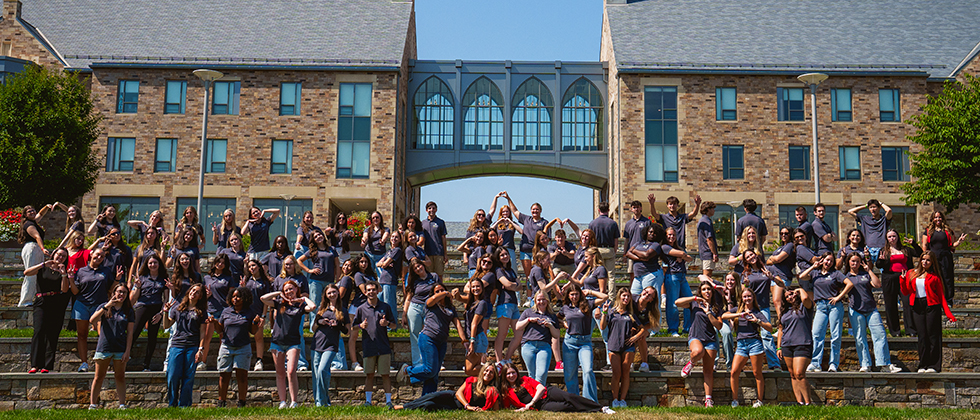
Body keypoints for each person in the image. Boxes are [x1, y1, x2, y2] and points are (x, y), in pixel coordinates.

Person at [397, 283, 466, 394]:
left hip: (442, 342)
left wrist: (465, 340)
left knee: (434, 374)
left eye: (442, 290)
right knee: (429, 369)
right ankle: (407, 370)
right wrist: (445, 293)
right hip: (428, 339)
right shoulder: (430, 304)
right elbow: (432, 299)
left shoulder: (450, 308)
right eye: (437, 291)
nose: (440, 293)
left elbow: (458, 324)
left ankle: (427, 400)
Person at [839, 252, 901, 373]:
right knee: (860, 338)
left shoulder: (865, 274)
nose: (855, 263)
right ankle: (865, 364)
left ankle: (884, 364)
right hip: (856, 310)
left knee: (880, 335)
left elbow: (877, 284)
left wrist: (869, 270)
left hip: (871, 309)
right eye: (853, 261)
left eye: (857, 261)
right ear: (848, 263)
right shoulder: (845, 277)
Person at [262, 280, 315, 408]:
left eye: (291, 289)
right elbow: (263, 298)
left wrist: (302, 298)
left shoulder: (301, 306)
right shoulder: (279, 303)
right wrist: (279, 293)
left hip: (293, 342)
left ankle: (294, 401)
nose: (289, 292)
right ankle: (282, 401)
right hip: (277, 342)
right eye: (286, 290)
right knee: (280, 372)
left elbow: (313, 307)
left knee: (291, 371)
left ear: (296, 289)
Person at [901, 251, 957, 373]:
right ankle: (923, 364)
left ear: (932, 262)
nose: (925, 262)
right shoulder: (912, 273)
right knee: (922, 336)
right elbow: (906, 291)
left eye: (928, 260)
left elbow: (941, 297)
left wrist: (949, 314)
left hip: (932, 306)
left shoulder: (935, 277)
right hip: (917, 306)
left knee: (933, 335)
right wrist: (902, 280)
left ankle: (934, 365)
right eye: (923, 259)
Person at [70, 248, 124, 373]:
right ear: (91, 255)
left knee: (103, 334)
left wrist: (117, 279)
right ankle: (84, 363)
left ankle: (103, 361)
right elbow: (75, 291)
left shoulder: (106, 271)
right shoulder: (81, 271)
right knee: (82, 335)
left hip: (100, 306)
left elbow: (110, 290)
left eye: (102, 256)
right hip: (82, 305)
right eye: (97, 255)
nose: (99, 257)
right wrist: (71, 279)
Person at [676, 281, 724, 407]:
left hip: (710, 340)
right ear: (700, 291)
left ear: (712, 292)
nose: (706, 291)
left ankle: (708, 400)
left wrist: (708, 312)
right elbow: (677, 302)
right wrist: (694, 298)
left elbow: (719, 325)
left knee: (708, 371)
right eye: (704, 289)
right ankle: (690, 364)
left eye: (709, 289)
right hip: (696, 336)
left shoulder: (716, 307)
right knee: (698, 351)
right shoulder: (694, 304)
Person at [722, 287, 773, 408]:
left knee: (757, 373)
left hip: (754, 343)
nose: (747, 298)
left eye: (749, 296)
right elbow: (724, 316)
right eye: (745, 297)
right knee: (734, 371)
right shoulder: (737, 310)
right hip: (741, 344)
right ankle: (735, 400)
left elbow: (770, 328)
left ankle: (759, 401)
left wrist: (757, 321)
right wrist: (739, 314)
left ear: (753, 298)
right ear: (742, 298)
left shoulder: (757, 312)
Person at [88, 283, 135, 410]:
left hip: (120, 348)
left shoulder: (129, 311)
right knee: (99, 376)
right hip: (104, 346)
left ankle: (122, 404)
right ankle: (93, 404)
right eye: (119, 291)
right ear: (114, 292)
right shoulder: (104, 306)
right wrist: (106, 306)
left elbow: (130, 333)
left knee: (120, 376)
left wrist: (127, 351)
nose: (121, 294)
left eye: (124, 292)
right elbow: (92, 320)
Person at [24, 247, 70, 373]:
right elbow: (26, 273)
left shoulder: (63, 271)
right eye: (59, 255)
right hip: (41, 301)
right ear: (54, 254)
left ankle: (47, 365)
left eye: (63, 256)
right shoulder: (43, 267)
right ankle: (35, 364)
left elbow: (65, 290)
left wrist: (64, 274)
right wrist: (43, 264)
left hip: (56, 302)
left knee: (52, 333)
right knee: (38, 331)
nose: (60, 258)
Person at [499, 362, 612, 413]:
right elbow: (506, 407)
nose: (511, 375)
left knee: (569, 396)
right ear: (504, 376)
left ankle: (602, 408)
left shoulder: (525, 379)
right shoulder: (506, 391)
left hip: (548, 393)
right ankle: (591, 409)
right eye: (508, 374)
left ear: (517, 373)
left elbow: (541, 388)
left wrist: (530, 403)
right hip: (541, 405)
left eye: (513, 372)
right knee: (564, 407)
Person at [213, 287, 261, 407]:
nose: (235, 299)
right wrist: (214, 322)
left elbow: (253, 331)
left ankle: (242, 402)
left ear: (244, 298)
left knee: (242, 376)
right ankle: (221, 401)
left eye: (238, 296)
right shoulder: (226, 312)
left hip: (243, 347)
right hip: (226, 346)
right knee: (224, 375)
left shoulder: (249, 312)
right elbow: (220, 330)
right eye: (233, 296)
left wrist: (255, 323)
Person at [558, 284, 606, 402]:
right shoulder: (565, 308)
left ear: (580, 294)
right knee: (570, 374)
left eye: (576, 294)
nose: (574, 296)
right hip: (569, 342)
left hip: (585, 342)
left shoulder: (588, 304)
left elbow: (605, 297)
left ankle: (589, 401)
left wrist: (590, 291)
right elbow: (557, 318)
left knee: (588, 370)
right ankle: (574, 401)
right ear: (568, 296)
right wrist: (563, 324)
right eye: (572, 294)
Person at [163, 283, 209, 407]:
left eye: (197, 292)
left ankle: (184, 405)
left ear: (200, 296)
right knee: (172, 375)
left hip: (192, 346)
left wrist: (200, 349)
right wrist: (165, 312)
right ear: (188, 292)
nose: (194, 293)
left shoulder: (201, 312)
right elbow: (166, 325)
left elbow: (202, 333)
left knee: (188, 377)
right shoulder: (178, 308)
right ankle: (172, 404)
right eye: (193, 290)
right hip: (177, 344)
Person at [351, 281, 395, 407]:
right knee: (369, 374)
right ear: (365, 292)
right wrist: (361, 326)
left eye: (373, 290)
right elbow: (353, 327)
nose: (371, 292)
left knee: (385, 374)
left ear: (377, 291)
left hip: (383, 346)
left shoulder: (385, 307)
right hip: (368, 346)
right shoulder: (361, 309)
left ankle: (388, 401)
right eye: (368, 290)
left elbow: (394, 324)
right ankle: (368, 401)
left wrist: (387, 324)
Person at [799, 252, 845, 372]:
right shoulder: (815, 273)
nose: (828, 262)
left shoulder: (836, 273)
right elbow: (802, 276)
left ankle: (833, 364)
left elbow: (849, 284)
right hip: (820, 306)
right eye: (826, 260)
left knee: (835, 336)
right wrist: (813, 266)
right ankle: (815, 363)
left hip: (834, 306)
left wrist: (838, 297)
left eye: (831, 260)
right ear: (822, 260)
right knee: (816, 334)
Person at [600, 288, 646, 408]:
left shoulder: (630, 314)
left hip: (628, 347)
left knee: (626, 372)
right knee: (616, 373)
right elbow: (603, 326)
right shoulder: (611, 312)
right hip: (613, 345)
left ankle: (623, 400)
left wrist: (635, 337)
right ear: (619, 297)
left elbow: (642, 329)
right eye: (624, 296)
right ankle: (615, 399)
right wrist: (604, 313)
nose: (626, 298)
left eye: (628, 296)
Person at [392, 362, 500, 412]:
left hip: (457, 407)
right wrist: (468, 406)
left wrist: (482, 411)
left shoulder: (492, 390)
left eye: (491, 372)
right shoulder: (472, 380)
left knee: (429, 405)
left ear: (494, 375)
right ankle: (403, 407)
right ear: (482, 371)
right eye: (486, 370)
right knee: (432, 396)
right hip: (453, 397)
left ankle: (411, 408)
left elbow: (496, 410)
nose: (488, 373)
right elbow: (458, 393)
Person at [506, 290, 561, 386]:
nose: (541, 302)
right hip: (528, 345)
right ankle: (534, 396)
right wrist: (529, 320)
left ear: (547, 301)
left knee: (542, 373)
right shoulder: (528, 312)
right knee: (532, 374)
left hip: (544, 346)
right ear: (535, 300)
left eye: (543, 299)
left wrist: (550, 326)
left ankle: (538, 397)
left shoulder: (551, 315)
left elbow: (556, 335)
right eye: (539, 299)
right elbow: (517, 326)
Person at [740, 249, 784, 370]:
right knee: (746, 335)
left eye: (751, 255)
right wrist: (747, 285)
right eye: (747, 257)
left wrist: (772, 278)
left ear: (756, 255)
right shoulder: (746, 274)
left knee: (766, 334)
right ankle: (741, 364)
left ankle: (774, 364)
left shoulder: (769, 269)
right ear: (746, 261)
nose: (750, 257)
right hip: (750, 307)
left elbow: (782, 285)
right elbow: (743, 292)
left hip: (763, 307)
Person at [877, 229, 923, 337]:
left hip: (905, 278)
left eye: (894, 236)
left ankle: (911, 329)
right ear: (887, 239)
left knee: (908, 303)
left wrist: (914, 244)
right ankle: (895, 331)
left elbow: (919, 254)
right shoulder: (884, 250)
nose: (892, 238)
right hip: (889, 278)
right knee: (891, 305)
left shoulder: (905, 249)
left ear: (897, 237)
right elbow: (879, 265)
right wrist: (881, 260)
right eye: (889, 237)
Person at [129, 254, 169, 371]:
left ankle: (146, 364)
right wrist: (136, 286)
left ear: (159, 264)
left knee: (152, 337)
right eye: (150, 263)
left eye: (155, 263)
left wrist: (161, 313)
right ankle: (123, 357)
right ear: (147, 264)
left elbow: (166, 299)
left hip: (157, 309)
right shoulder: (142, 278)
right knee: (134, 333)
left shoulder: (163, 278)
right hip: (142, 307)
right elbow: (134, 298)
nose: (153, 265)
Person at [777, 287, 814, 405]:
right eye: (787, 296)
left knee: (799, 373)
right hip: (787, 345)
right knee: (792, 374)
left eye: (792, 294)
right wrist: (779, 347)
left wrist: (800, 289)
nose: (790, 297)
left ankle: (808, 403)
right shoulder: (785, 311)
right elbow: (781, 329)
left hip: (803, 343)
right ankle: (800, 402)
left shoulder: (805, 306)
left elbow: (806, 298)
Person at [312, 284, 348, 407]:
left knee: (322, 370)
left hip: (331, 345)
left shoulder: (343, 310)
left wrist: (338, 325)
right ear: (326, 296)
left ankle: (322, 401)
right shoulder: (321, 309)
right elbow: (313, 328)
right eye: (329, 293)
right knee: (318, 375)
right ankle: (321, 402)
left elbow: (347, 331)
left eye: (334, 292)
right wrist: (319, 321)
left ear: (338, 293)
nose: (332, 295)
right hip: (317, 343)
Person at [403, 257, 442, 367]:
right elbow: (409, 298)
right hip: (415, 307)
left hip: (430, 308)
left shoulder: (434, 276)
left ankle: (434, 361)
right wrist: (404, 313)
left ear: (423, 265)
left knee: (432, 334)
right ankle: (418, 363)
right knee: (415, 335)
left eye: (419, 265)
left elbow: (440, 291)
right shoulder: (414, 281)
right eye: (415, 268)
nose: (418, 268)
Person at [922, 210, 968, 302]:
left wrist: (959, 241)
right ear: (932, 219)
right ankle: (935, 298)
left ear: (942, 218)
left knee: (947, 277)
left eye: (939, 217)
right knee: (934, 277)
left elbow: (952, 245)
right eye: (935, 217)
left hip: (946, 257)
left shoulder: (948, 231)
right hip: (933, 257)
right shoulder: (928, 231)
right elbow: (925, 245)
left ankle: (948, 299)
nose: (938, 219)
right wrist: (926, 257)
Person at [202, 253, 238, 370]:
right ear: (215, 263)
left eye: (223, 263)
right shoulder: (207, 278)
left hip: (223, 311)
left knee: (223, 338)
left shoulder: (229, 279)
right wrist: (207, 296)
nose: (220, 264)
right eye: (219, 262)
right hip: (210, 310)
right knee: (206, 338)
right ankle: (202, 362)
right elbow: (202, 296)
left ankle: (222, 362)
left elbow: (231, 296)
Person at [504, 192, 550, 277]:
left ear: (540, 211)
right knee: (528, 276)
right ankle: (529, 290)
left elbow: (547, 239)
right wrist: (508, 198)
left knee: (538, 273)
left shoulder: (544, 222)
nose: (535, 211)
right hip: (525, 251)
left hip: (537, 252)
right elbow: (515, 211)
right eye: (533, 209)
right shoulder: (526, 219)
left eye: (537, 209)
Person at [491, 247, 522, 364]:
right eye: (502, 255)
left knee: (519, 334)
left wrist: (513, 285)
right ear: (498, 258)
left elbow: (519, 286)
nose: (505, 256)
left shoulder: (511, 271)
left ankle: (507, 358)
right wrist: (514, 285)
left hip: (513, 304)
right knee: (502, 334)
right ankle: (499, 361)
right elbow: (508, 284)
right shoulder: (499, 270)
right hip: (504, 304)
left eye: (506, 254)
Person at [453, 277, 489, 376]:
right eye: (473, 287)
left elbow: (474, 323)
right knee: (474, 371)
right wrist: (456, 293)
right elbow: (459, 298)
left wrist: (472, 342)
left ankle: (494, 370)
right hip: (474, 338)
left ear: (482, 288)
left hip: (476, 338)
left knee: (469, 370)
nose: (475, 289)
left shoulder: (482, 303)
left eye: (478, 286)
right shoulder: (472, 302)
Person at [19, 204, 54, 306]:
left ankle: (32, 299)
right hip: (32, 248)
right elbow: (37, 236)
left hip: (35, 248)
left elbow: (41, 213)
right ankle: (25, 301)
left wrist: (47, 207)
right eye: (29, 212)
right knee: (31, 275)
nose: (32, 212)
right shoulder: (28, 224)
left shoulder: (33, 221)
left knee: (37, 274)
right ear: (25, 215)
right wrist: (43, 249)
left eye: (33, 210)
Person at [347, 255, 377, 372]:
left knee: (372, 334)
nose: (364, 264)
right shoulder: (358, 275)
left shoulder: (371, 275)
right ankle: (354, 362)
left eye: (366, 262)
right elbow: (365, 290)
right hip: (356, 308)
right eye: (361, 262)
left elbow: (378, 289)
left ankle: (373, 362)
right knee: (353, 335)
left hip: (370, 308)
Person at [663, 227, 695, 336]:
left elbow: (690, 259)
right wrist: (682, 255)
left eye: (673, 235)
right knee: (673, 303)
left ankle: (687, 327)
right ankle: (673, 329)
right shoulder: (665, 247)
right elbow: (684, 255)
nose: (671, 237)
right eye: (669, 235)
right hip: (672, 276)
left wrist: (683, 256)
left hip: (682, 277)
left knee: (690, 301)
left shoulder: (679, 248)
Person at [242, 258, 271, 371]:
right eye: (249, 267)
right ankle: (246, 359)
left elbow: (266, 301)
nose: (251, 268)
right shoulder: (247, 281)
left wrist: (264, 316)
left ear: (259, 267)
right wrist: (243, 287)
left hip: (258, 314)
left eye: (253, 266)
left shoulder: (264, 282)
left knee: (258, 338)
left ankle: (259, 360)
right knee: (246, 337)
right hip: (247, 313)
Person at [766, 227, 797, 318]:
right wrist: (773, 259)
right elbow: (768, 261)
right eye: (781, 233)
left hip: (782, 276)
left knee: (778, 301)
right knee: (777, 302)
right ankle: (782, 325)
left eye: (786, 233)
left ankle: (782, 325)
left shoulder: (790, 246)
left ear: (790, 234)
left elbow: (778, 259)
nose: (783, 235)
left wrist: (773, 258)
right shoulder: (781, 248)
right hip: (773, 276)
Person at [375, 230, 403, 325]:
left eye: (396, 237)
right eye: (392, 237)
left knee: (389, 304)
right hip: (383, 280)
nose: (394, 239)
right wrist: (384, 263)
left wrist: (385, 263)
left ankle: (392, 325)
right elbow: (379, 263)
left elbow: (384, 264)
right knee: (381, 302)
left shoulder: (397, 250)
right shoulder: (389, 251)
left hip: (390, 280)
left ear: (399, 240)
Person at [588, 201, 620, 282]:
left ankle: (598, 292)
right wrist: (614, 251)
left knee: (597, 273)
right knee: (611, 275)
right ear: (608, 210)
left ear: (599, 210)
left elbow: (589, 239)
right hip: (609, 249)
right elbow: (616, 239)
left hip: (597, 250)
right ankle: (612, 295)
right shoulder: (613, 223)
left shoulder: (592, 223)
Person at [622, 200, 652, 282]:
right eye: (634, 207)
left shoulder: (647, 222)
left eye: (638, 207)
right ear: (631, 209)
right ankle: (633, 294)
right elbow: (626, 239)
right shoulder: (628, 224)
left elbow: (650, 238)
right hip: (631, 253)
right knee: (632, 275)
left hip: (643, 252)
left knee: (645, 274)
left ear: (641, 208)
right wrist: (625, 254)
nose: (636, 209)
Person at [422, 202, 449, 277]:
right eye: (430, 208)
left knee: (439, 275)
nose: (432, 210)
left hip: (438, 253)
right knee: (429, 275)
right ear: (426, 210)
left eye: (433, 208)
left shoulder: (440, 222)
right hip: (427, 253)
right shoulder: (423, 223)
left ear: (436, 210)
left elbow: (443, 238)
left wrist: (445, 254)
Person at [362, 211, 390, 276]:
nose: (375, 219)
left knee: (381, 274)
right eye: (373, 218)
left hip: (380, 255)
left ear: (380, 219)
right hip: (369, 254)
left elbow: (385, 236)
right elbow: (365, 236)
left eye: (377, 217)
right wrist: (364, 241)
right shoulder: (368, 229)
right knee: (369, 273)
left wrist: (382, 241)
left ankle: (380, 286)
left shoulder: (386, 229)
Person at [697, 201, 719, 277]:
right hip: (707, 253)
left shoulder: (702, 220)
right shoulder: (706, 221)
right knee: (707, 276)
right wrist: (714, 253)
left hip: (704, 252)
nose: (714, 211)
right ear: (708, 209)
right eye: (713, 208)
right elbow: (709, 239)